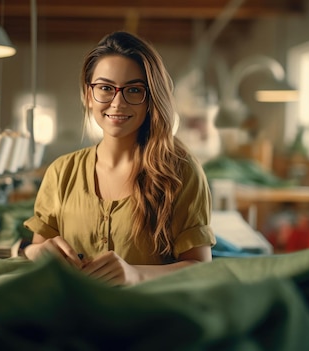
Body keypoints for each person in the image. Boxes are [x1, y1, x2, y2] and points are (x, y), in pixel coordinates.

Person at [23, 31, 215, 286]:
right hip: (72, 316)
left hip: (148, 319)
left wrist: (136, 274)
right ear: (88, 95)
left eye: (134, 90)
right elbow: (38, 249)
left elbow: (201, 268)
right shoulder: (61, 172)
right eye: (105, 88)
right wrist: (35, 252)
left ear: (151, 98)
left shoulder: (181, 172)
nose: (117, 102)